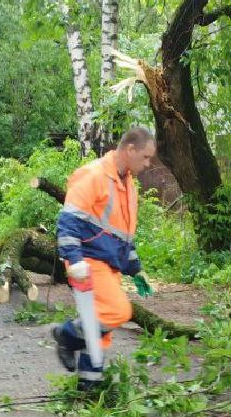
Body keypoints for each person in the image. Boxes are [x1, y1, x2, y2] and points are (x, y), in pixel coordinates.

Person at [50, 126, 157, 388]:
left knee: (100, 329)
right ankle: (65, 335)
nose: (148, 163)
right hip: (87, 261)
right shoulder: (95, 175)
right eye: (145, 157)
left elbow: (122, 235)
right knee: (117, 311)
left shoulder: (127, 184)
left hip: (107, 263)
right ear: (130, 149)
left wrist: (136, 269)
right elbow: (68, 221)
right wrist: (74, 261)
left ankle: (89, 386)